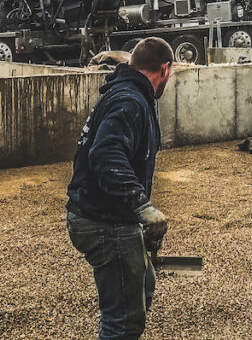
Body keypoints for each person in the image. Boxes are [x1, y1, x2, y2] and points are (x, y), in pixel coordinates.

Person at [66, 37, 174, 339]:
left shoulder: (127, 94)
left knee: (143, 287)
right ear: (164, 69)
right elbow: (105, 154)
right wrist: (142, 207)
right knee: (123, 322)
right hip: (104, 221)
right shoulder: (130, 101)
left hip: (106, 215)